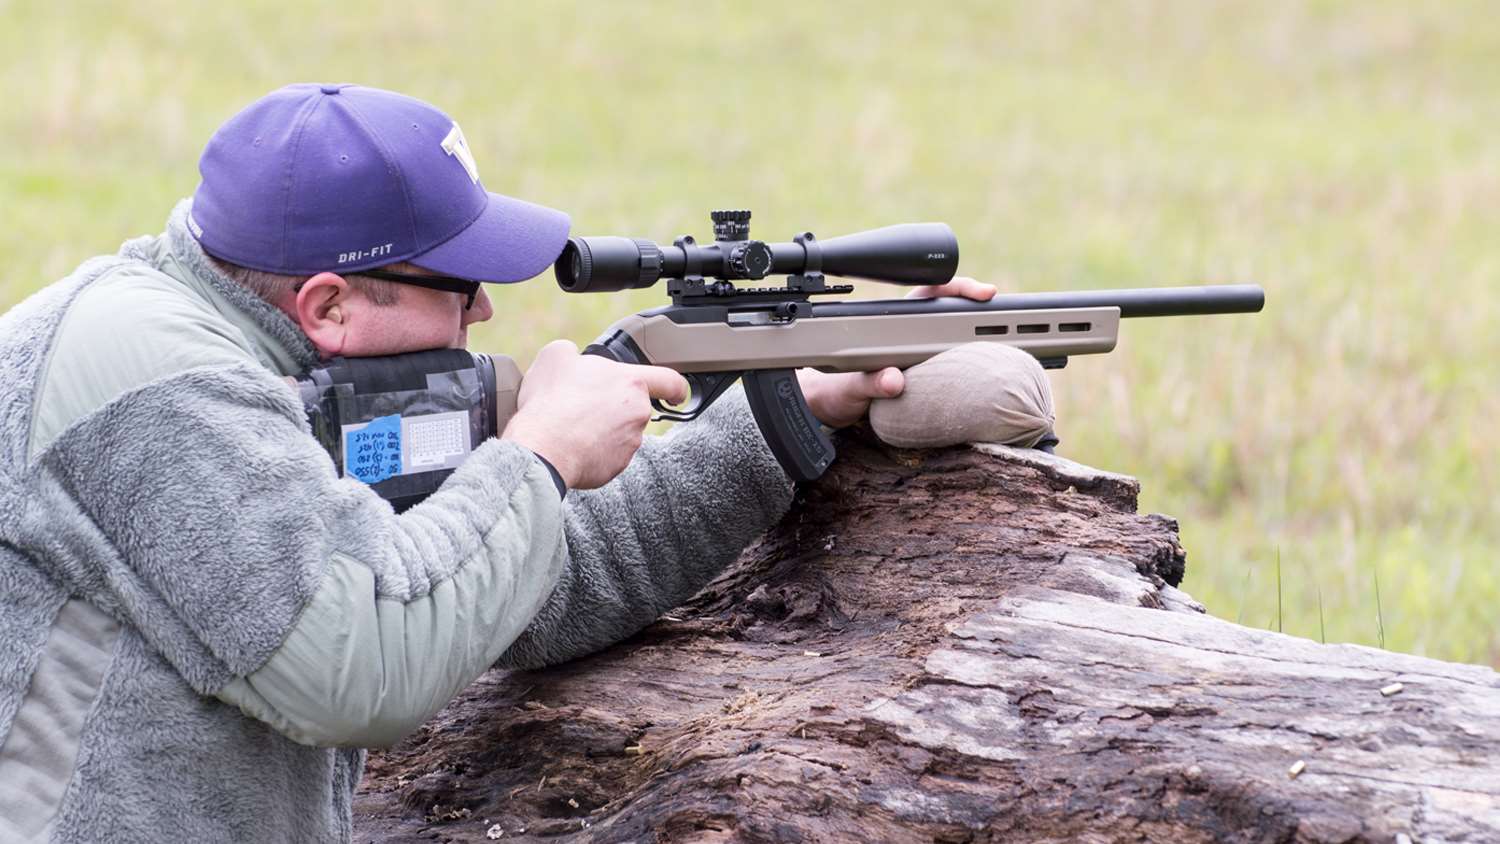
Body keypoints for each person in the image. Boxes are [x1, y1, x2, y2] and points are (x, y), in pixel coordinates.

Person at [0, 83, 994, 842]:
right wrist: (538, 457)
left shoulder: (262, 353)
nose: (482, 312)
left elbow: (522, 585)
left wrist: (788, 408)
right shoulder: (153, 381)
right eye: (458, 283)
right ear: (328, 305)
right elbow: (365, 666)